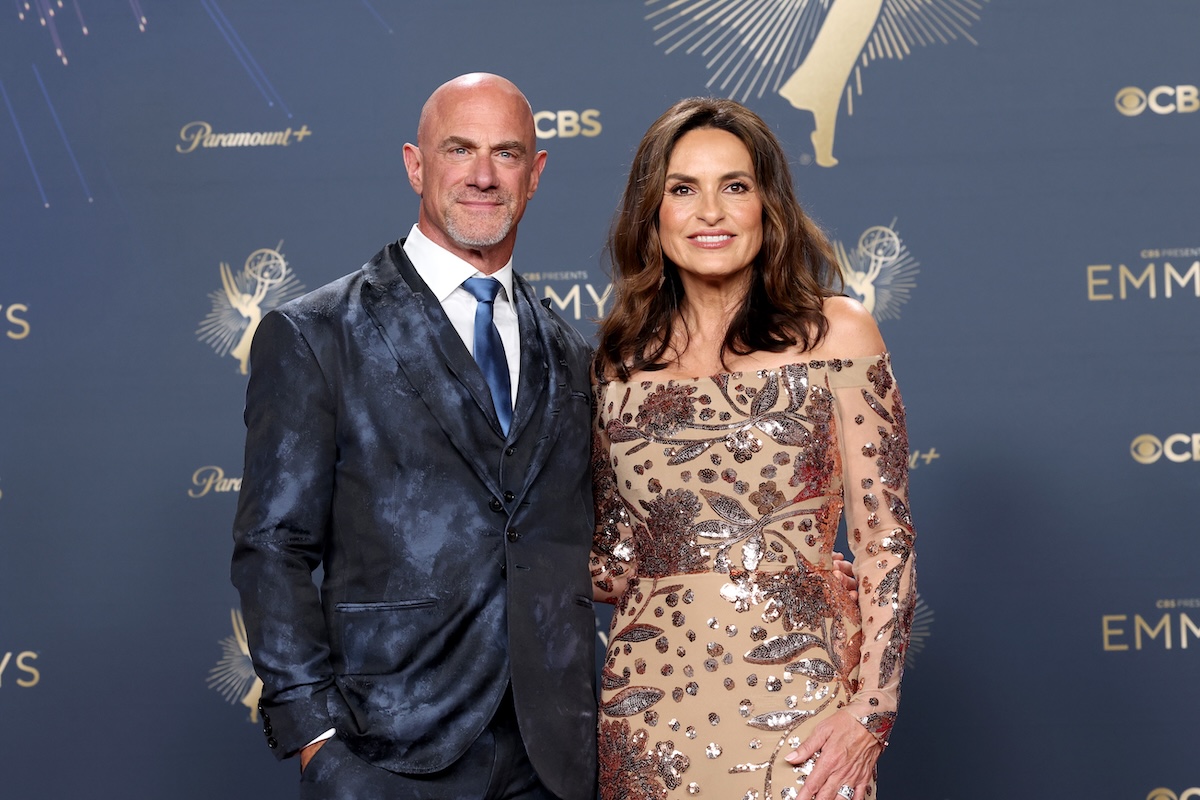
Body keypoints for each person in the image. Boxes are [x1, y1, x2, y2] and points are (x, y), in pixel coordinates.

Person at [231, 73, 599, 800]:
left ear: (537, 172)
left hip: (554, 760)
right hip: (386, 753)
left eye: (507, 152)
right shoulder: (315, 335)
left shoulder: (570, 351)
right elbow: (273, 548)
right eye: (459, 149)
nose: (484, 175)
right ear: (415, 164)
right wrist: (318, 744)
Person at [589, 98, 917, 800]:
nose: (710, 211)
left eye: (734, 186)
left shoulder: (838, 335)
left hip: (801, 715)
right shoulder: (617, 362)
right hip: (646, 717)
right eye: (683, 189)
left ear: (768, 205)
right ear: (653, 213)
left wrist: (870, 713)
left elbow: (885, 538)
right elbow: (614, 562)